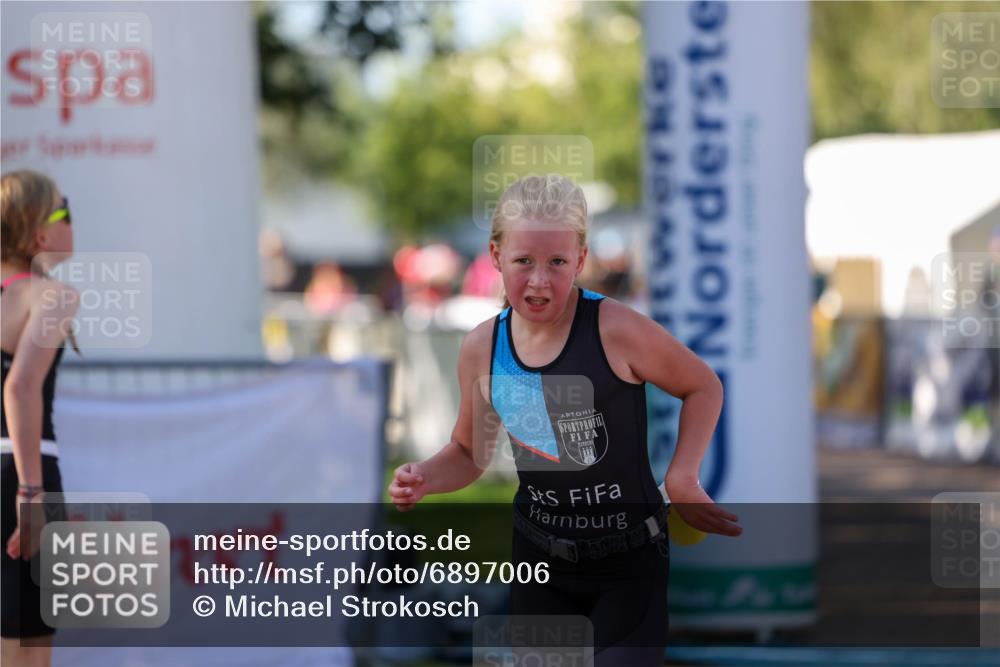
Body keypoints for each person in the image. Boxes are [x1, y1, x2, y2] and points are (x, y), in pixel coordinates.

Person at [388, 174, 740, 666]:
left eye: (556, 263)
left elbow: (703, 385)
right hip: (539, 561)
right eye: (523, 261)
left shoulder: (615, 329)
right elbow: (470, 453)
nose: (539, 280)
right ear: (494, 257)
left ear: (580, 259)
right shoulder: (482, 347)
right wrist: (425, 476)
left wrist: (681, 475)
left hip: (627, 563)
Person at [1, 170, 78, 666]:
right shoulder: (52, 296)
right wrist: (31, 492)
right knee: (27, 654)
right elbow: (21, 385)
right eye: (64, 208)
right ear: (40, 232)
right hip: (24, 472)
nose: (73, 220)